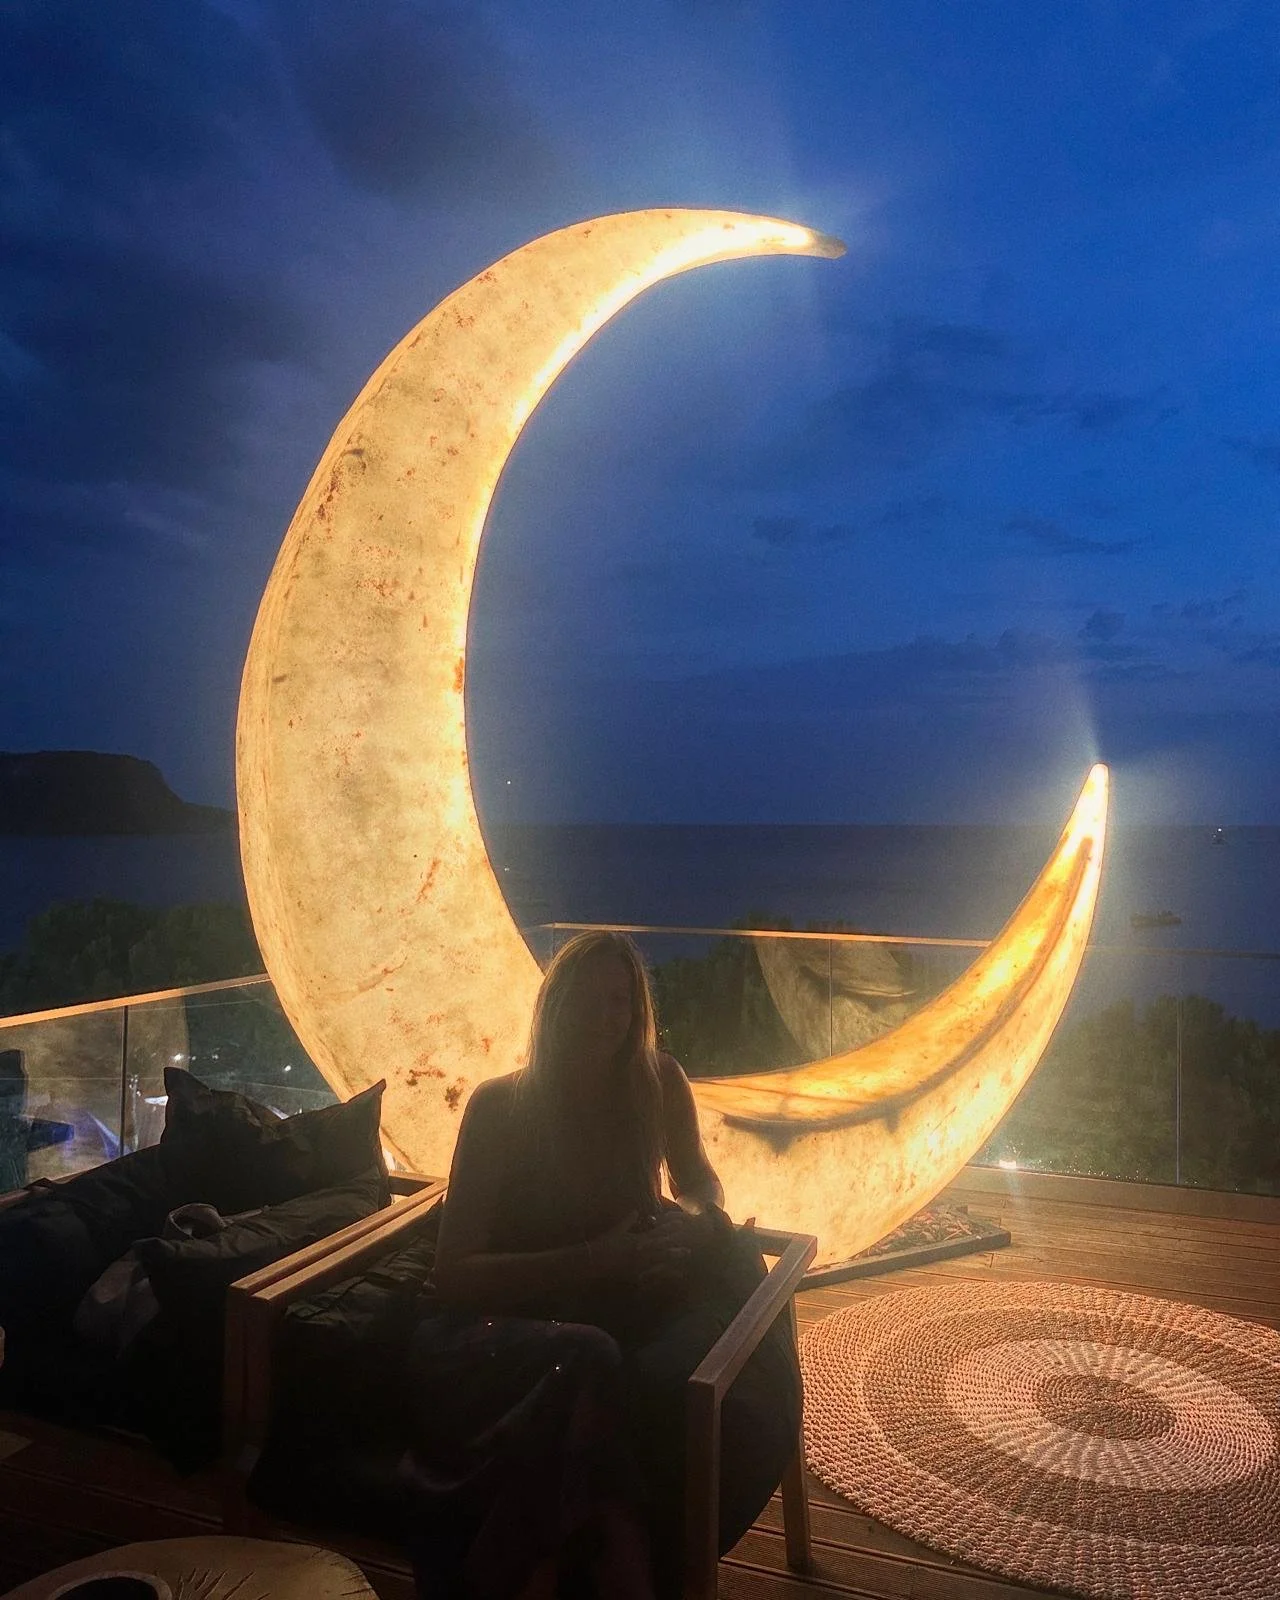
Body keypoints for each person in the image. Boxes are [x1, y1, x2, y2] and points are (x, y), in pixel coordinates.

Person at [402, 931, 799, 1600]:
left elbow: (701, 1181)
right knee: (588, 1362)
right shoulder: (500, 1107)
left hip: (610, 1302)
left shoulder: (658, 1083)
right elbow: (456, 1274)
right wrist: (596, 1260)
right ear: (552, 1006)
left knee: (630, 1364)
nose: (605, 1017)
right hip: (504, 1322)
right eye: (587, 1000)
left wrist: (690, 1220)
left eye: (620, 1001)